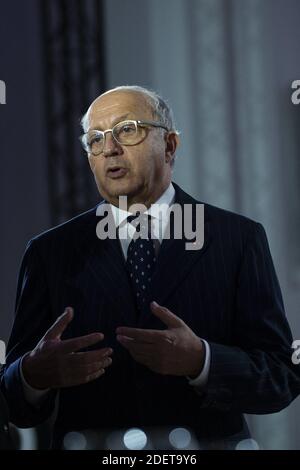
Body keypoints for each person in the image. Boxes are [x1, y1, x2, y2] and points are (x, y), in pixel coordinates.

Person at [1, 85, 299, 450]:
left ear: (170, 145)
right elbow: (12, 402)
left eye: (128, 130)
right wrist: (32, 375)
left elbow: (280, 379)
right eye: (95, 139)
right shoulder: (49, 252)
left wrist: (202, 361)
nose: (109, 147)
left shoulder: (238, 239)